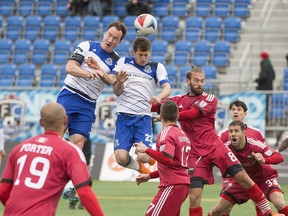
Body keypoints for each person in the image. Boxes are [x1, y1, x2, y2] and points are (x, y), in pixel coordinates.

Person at [151, 64, 281, 216]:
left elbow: (193, 114)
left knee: (243, 178)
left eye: (202, 81)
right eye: (196, 80)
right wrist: (146, 101)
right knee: (194, 197)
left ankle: (268, 213)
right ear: (188, 81)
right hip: (195, 154)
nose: (200, 84)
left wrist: (168, 115)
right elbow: (154, 106)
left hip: (215, 147)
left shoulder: (210, 98)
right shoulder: (177, 100)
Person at [0, 102, 104, 216]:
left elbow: (3, 191)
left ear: (41, 122)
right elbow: (84, 192)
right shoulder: (70, 151)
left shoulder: (20, 148)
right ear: (65, 120)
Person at [57, 21, 127, 151]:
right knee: (56, 136)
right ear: (105, 33)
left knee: (78, 144)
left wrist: (98, 69)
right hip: (70, 95)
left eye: (115, 38)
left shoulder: (117, 61)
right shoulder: (86, 46)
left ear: (119, 42)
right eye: (109, 35)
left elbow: (111, 80)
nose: (110, 40)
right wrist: (88, 73)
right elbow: (70, 67)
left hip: (88, 103)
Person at [112, 37, 171, 174]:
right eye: (140, 55)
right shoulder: (123, 63)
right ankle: (140, 168)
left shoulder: (156, 67)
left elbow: (167, 88)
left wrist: (158, 97)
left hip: (143, 118)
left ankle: (148, 158)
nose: (143, 58)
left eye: (146, 55)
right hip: (124, 117)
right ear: (134, 52)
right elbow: (117, 92)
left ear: (149, 53)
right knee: (121, 158)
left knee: (143, 156)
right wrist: (120, 82)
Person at [209, 120, 288, 216]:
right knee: (216, 211)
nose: (233, 134)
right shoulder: (225, 148)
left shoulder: (255, 145)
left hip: (263, 180)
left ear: (243, 132)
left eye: (236, 131)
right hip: (241, 182)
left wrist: (264, 160)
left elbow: (279, 157)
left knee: (280, 204)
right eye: (231, 131)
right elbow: (211, 158)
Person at [134, 100, 191, 216]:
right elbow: (173, 165)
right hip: (182, 185)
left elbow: (166, 159)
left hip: (172, 187)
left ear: (160, 116)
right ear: (178, 116)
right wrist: (150, 176)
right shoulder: (182, 134)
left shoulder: (166, 133)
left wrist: (146, 149)